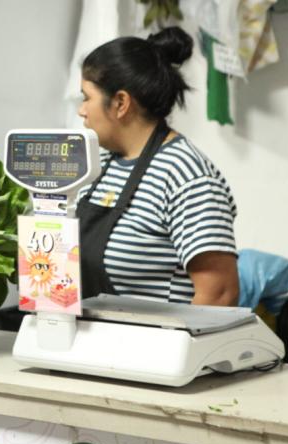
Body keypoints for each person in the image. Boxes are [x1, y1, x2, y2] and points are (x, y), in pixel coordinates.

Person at [76, 26, 239, 306]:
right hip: (97, 342)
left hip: (156, 346)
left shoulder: (186, 176)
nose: (81, 110)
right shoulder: (100, 167)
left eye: (86, 97)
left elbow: (219, 294)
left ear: (120, 103)